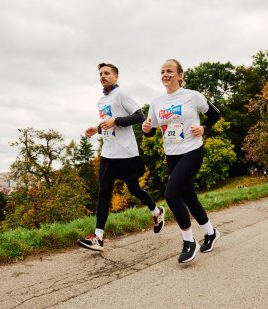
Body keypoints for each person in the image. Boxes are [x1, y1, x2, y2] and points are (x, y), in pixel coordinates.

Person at [77, 63, 165, 252]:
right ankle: (98, 237)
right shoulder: (101, 100)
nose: (103, 76)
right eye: (100, 73)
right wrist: (98, 129)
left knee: (134, 189)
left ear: (116, 77)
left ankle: (157, 211)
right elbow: (108, 123)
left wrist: (115, 121)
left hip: (126, 153)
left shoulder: (122, 94)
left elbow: (139, 117)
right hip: (108, 154)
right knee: (103, 193)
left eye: (107, 73)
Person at [142, 59, 221, 263]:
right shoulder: (156, 102)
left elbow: (214, 115)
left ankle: (189, 241)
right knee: (189, 197)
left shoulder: (193, 96)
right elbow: (151, 131)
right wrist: (146, 129)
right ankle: (210, 233)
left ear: (179, 75)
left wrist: (204, 128)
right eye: (162, 72)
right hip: (172, 154)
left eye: (169, 71)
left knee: (171, 194)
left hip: (192, 151)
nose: (165, 75)